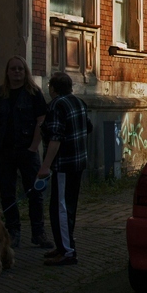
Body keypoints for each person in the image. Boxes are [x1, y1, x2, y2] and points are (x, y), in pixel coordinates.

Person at [0, 56, 54, 249]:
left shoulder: (33, 93)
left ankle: (38, 233)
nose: (17, 72)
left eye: (20, 69)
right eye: (13, 69)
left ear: (25, 72)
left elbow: (41, 120)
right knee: (7, 193)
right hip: (4, 150)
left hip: (26, 150)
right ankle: (13, 231)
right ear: (7, 72)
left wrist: (33, 146)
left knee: (35, 193)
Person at [38, 71, 89, 266]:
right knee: (69, 206)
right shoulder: (79, 102)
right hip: (79, 163)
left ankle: (67, 252)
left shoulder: (56, 105)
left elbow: (55, 138)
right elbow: (88, 127)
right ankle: (62, 246)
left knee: (60, 208)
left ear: (52, 88)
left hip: (64, 165)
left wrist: (45, 166)